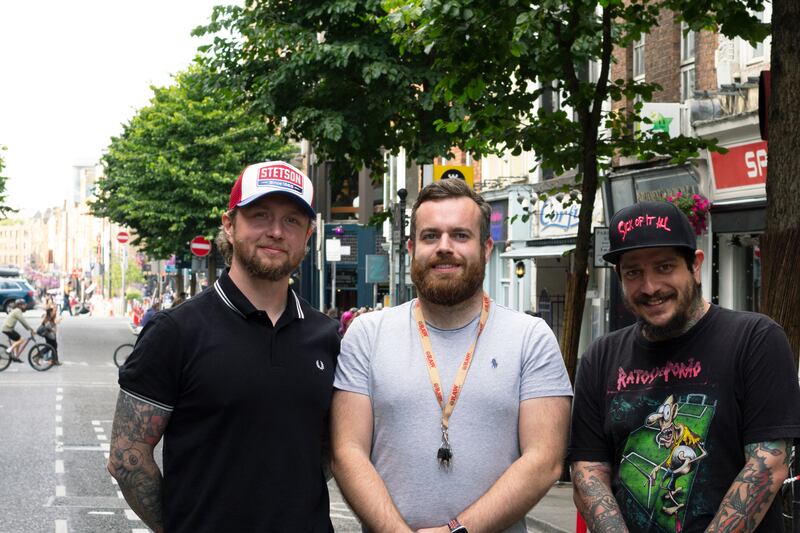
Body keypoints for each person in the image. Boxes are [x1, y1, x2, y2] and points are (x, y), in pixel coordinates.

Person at [107, 161, 340, 533]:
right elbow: (126, 457)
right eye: (260, 215)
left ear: (308, 235)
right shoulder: (176, 332)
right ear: (229, 226)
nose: (277, 231)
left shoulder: (327, 337)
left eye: (292, 220)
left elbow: (330, 451)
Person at [332, 178, 573, 532]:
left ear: (486, 248)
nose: (445, 247)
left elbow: (545, 460)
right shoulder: (367, 335)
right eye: (431, 236)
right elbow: (347, 452)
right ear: (412, 248)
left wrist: (455, 532)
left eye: (460, 235)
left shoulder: (531, 338)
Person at [569, 200, 800, 532]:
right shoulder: (600, 357)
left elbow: (767, 466)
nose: (650, 287)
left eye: (664, 267)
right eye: (634, 272)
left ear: (695, 266)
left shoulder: (756, 340)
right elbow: (588, 472)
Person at [3, 298, 34, 363]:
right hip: (8, 329)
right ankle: (9, 350)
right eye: (24, 305)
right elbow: (23, 321)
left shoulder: (15, 310)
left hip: (8, 328)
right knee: (21, 339)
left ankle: (16, 356)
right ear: (20, 305)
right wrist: (31, 329)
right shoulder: (17, 311)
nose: (25, 306)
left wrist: (29, 329)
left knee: (18, 339)